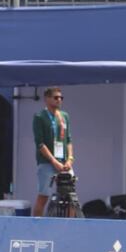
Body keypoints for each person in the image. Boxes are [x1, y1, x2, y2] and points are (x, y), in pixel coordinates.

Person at [32, 87, 74, 217]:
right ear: (47, 99)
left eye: (61, 97)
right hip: (47, 162)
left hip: (64, 162)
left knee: (71, 198)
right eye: (56, 97)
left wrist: (70, 159)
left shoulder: (64, 116)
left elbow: (68, 140)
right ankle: (36, 228)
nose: (59, 100)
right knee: (44, 196)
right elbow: (40, 144)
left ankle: (70, 227)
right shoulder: (39, 117)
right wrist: (54, 161)